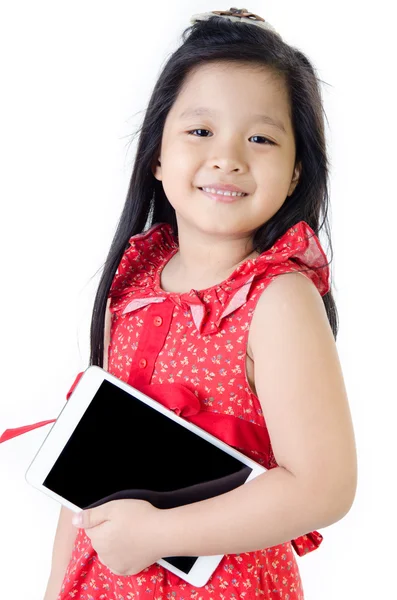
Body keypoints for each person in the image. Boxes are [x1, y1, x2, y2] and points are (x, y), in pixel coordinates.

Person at [1, 7, 357, 599]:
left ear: (296, 172)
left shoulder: (279, 299)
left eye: (261, 138)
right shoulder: (135, 283)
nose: (228, 157)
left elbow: (324, 487)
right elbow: (90, 470)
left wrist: (159, 533)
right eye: (200, 131)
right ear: (158, 155)